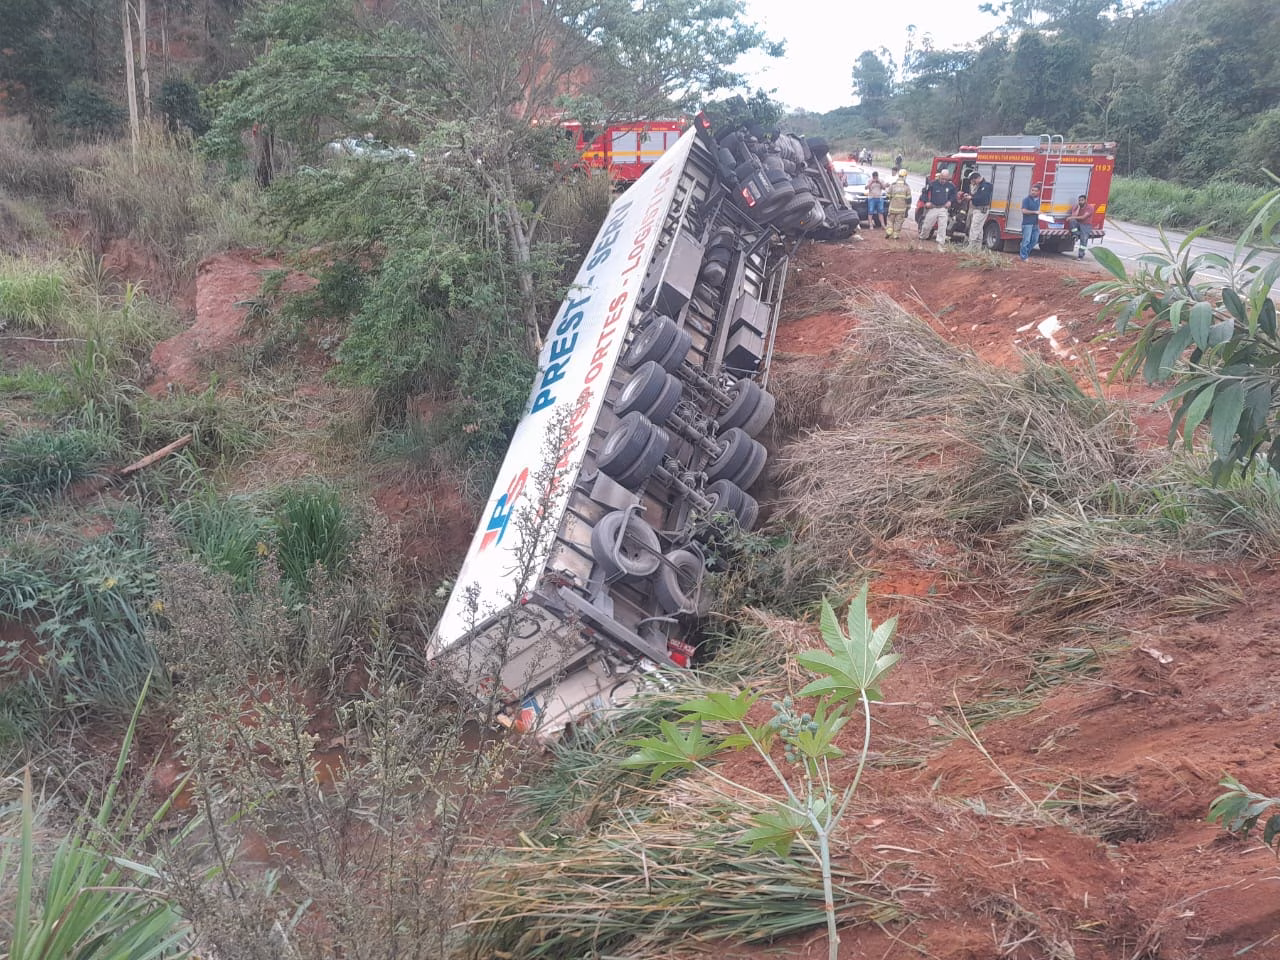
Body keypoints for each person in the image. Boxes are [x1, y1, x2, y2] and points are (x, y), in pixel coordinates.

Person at [920, 169, 957, 248]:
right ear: (940, 176)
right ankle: (922, 239)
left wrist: (950, 201)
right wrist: (926, 202)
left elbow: (954, 195)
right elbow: (924, 192)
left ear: (948, 178)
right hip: (933, 207)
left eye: (946, 179)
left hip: (943, 208)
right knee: (926, 226)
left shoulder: (951, 186)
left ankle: (940, 245)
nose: (944, 181)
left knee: (942, 227)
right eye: (942, 178)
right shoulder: (933, 184)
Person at [965, 171, 993, 249]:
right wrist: (970, 195)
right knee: (979, 229)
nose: (972, 183)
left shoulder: (985, 186)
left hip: (981, 210)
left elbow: (982, 198)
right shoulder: (980, 186)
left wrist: (971, 198)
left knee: (974, 227)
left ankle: (971, 246)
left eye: (973, 181)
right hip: (978, 210)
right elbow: (977, 195)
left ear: (976, 179)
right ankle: (977, 247)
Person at [1066, 194, 1096, 259]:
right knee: (1072, 221)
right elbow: (1074, 215)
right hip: (1078, 223)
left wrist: (1071, 217)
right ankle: (1076, 235)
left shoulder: (1089, 208)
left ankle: (1081, 255)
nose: (1080, 202)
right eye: (1079, 200)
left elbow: (1083, 217)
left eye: (1082, 200)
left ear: (1085, 200)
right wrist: (1078, 208)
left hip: (1086, 225)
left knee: (1084, 239)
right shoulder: (1077, 206)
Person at [1018, 183, 1043, 261]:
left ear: (1039, 192)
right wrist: (1035, 212)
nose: (1033, 192)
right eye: (1032, 190)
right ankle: (1023, 256)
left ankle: (1025, 253)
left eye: (1035, 191)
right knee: (1026, 240)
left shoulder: (1039, 200)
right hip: (1027, 223)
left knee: (1035, 240)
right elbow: (1024, 211)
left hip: (1036, 224)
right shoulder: (1026, 200)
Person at [886, 169, 912, 239]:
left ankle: (889, 230)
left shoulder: (893, 185)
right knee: (898, 221)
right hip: (901, 209)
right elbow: (909, 199)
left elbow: (887, 196)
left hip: (892, 207)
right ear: (905, 176)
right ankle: (895, 235)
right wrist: (908, 208)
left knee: (890, 220)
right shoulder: (906, 186)